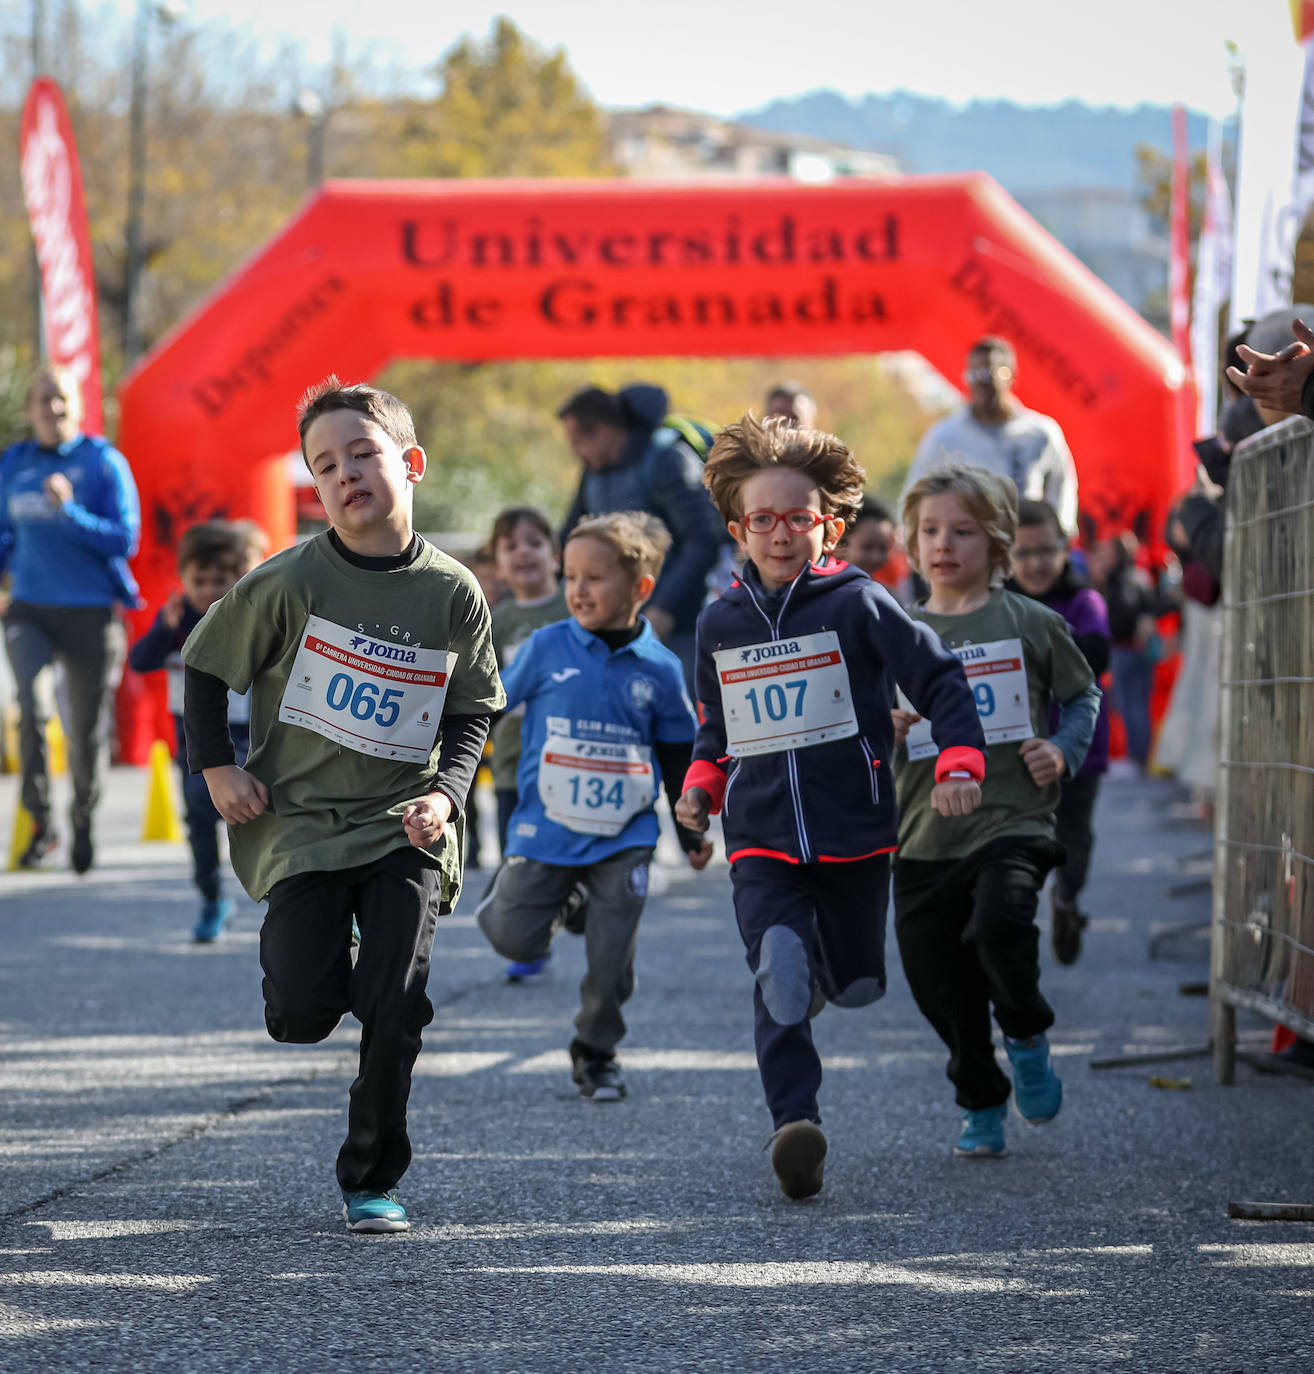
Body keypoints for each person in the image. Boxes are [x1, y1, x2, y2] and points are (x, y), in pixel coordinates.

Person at [181, 377, 505, 1233]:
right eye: (326, 465)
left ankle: (371, 1178)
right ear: (315, 488)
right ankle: (340, 943)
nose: (347, 473)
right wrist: (216, 771)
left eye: (362, 452)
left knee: (395, 1001)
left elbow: (474, 706)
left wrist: (446, 793)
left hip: (405, 825)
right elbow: (207, 671)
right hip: (301, 829)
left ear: (411, 463)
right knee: (300, 1013)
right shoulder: (287, 581)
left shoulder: (451, 591)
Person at [674, 415, 986, 1201]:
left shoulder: (858, 604)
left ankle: (829, 971)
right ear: (738, 528)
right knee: (777, 971)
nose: (780, 535)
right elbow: (717, 728)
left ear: (831, 525)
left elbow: (941, 678)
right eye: (763, 520)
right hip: (762, 838)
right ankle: (795, 1126)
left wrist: (957, 756)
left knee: (855, 984)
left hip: (854, 833)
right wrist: (702, 787)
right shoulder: (719, 623)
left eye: (798, 519)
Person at [891, 465, 1099, 1159]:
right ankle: (980, 1097)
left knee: (1001, 923)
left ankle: (1027, 1031)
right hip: (922, 836)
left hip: (1013, 818)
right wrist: (880, 724)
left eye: (963, 530)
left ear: (999, 542)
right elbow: (851, 721)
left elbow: (1084, 694)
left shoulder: (1031, 622)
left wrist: (1063, 748)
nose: (943, 544)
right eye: (929, 531)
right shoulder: (896, 632)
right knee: (937, 986)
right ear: (911, 543)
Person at [477, 511, 713, 1102]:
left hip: (625, 836)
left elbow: (675, 755)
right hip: (546, 827)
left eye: (595, 578)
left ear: (640, 589)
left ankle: (597, 1051)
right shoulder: (546, 645)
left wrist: (690, 835)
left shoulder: (660, 669)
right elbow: (492, 705)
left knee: (612, 960)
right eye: (570, 576)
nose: (577, 590)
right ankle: (567, 900)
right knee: (511, 936)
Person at [0, 367, 141, 873]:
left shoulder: (103, 462)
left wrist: (72, 510)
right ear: (29, 410)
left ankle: (82, 817)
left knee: (83, 732)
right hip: (29, 610)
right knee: (32, 714)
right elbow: (3, 534)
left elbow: (126, 540)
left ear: (76, 407)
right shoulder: (13, 463)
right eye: (43, 401)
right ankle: (42, 823)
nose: (52, 409)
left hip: (91, 613)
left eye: (61, 400)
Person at [557, 384, 726, 686]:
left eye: (578, 442)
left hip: (678, 627)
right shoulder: (594, 469)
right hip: (613, 626)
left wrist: (665, 607)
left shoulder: (667, 460)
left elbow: (703, 540)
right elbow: (569, 536)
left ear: (605, 431)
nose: (574, 453)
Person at [129, 520, 248, 942]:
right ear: (183, 577)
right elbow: (139, 663)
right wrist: (162, 629)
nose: (208, 589)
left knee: (265, 817)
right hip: (191, 741)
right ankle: (213, 898)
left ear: (237, 577)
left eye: (219, 580)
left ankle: (307, 903)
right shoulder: (176, 620)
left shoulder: (245, 616)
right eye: (199, 580)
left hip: (246, 735)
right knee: (200, 819)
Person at [1006, 499, 1111, 964]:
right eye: (1022, 553)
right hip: (1014, 746)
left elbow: (1096, 657)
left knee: (1074, 840)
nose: (1034, 563)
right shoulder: (998, 604)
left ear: (1066, 549)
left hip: (1076, 747)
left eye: (1045, 551)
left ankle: (1067, 898)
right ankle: (1010, 915)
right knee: (1016, 839)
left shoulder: (1085, 601)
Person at [486, 505, 567, 980]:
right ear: (497, 563)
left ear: (556, 556)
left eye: (534, 542)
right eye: (511, 545)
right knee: (517, 857)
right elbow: (484, 689)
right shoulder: (497, 620)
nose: (523, 553)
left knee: (560, 853)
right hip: (514, 764)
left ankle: (567, 910)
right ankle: (529, 944)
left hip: (568, 761)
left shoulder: (574, 609)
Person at [902, 336, 1079, 534]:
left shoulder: (1039, 432)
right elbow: (915, 494)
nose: (983, 382)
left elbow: (1062, 487)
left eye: (991, 373)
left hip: (1024, 549)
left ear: (1011, 375)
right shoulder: (944, 436)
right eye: (974, 374)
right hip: (968, 549)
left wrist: (1061, 533)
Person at [1086, 532, 1165, 773]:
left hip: (1126, 650)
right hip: (1136, 651)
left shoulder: (1123, 579)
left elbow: (1124, 614)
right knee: (1136, 704)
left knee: (1132, 706)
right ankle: (1139, 757)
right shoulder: (1140, 576)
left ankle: (1136, 759)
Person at [836, 494, 913, 602]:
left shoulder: (887, 600)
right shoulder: (822, 597)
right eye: (867, 547)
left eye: (883, 548)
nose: (876, 557)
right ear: (840, 543)